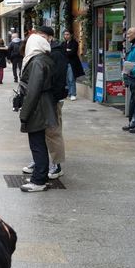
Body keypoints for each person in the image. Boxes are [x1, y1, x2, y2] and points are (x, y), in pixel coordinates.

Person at [18, 29, 57, 192]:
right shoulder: (44, 58)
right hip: (43, 104)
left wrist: (24, 114)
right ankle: (40, 176)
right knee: (39, 142)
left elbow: (33, 90)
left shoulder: (37, 62)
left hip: (37, 107)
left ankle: (39, 180)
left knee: (37, 144)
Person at [123, 26, 135, 133]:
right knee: (134, 100)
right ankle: (134, 122)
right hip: (133, 78)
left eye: (129, 33)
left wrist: (133, 69)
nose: (127, 35)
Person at [63, 30, 85, 100]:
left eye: (67, 34)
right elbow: (62, 52)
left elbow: (72, 53)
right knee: (66, 79)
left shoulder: (74, 43)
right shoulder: (63, 43)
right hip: (66, 63)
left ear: (71, 35)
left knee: (71, 78)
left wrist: (66, 51)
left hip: (72, 63)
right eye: (65, 34)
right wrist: (67, 50)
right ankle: (69, 93)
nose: (66, 36)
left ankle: (73, 94)